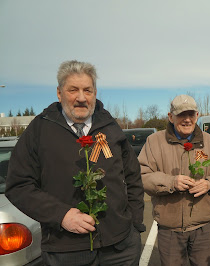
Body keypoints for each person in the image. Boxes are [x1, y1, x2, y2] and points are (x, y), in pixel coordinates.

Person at [6, 60, 145, 265]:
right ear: (59, 93)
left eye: (87, 90)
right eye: (73, 90)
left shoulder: (110, 126)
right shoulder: (39, 130)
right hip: (65, 250)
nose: (81, 98)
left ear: (95, 93)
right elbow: (19, 186)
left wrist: (134, 225)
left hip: (120, 248)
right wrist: (61, 215)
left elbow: (132, 176)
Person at [139, 94, 210, 266]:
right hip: (170, 229)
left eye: (191, 114)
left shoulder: (209, 141)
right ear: (170, 116)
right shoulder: (154, 142)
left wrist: (209, 183)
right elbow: (142, 175)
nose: (187, 119)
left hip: (203, 227)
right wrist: (171, 182)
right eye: (181, 114)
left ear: (197, 115)